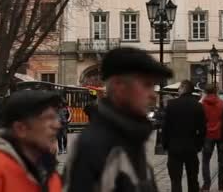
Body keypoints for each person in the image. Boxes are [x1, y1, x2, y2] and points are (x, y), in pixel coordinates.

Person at [65, 47, 172, 192]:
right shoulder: (96, 146)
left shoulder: (131, 136)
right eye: (146, 85)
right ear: (119, 87)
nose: (153, 95)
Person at [0, 90, 63, 191]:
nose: (57, 125)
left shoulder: (49, 172)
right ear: (21, 129)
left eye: (55, 117)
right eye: (48, 118)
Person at [163, 80, 206, 192]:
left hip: (174, 148)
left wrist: (165, 145)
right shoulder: (198, 106)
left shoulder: (172, 104)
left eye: (179, 88)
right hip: (191, 147)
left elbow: (166, 127)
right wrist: (198, 145)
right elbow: (202, 129)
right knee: (193, 179)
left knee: (175, 180)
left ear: (182, 88)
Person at [201, 84, 223, 192]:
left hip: (207, 135)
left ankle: (206, 185)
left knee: (205, 161)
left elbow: (201, 120)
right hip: (220, 134)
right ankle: (221, 185)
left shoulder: (202, 104)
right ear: (216, 91)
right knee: (222, 160)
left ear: (206, 92)